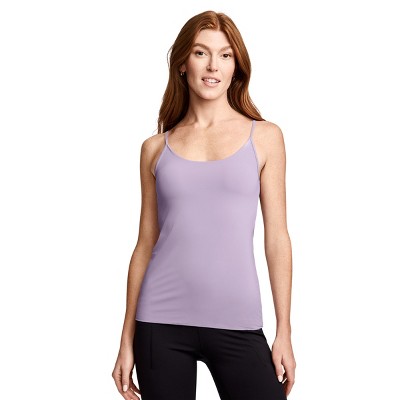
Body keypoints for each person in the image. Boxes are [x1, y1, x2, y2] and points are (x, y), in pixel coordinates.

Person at [112, 10, 296, 400]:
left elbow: (277, 238)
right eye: (201, 53)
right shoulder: (154, 149)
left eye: (225, 55)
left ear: (236, 67)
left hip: (237, 320)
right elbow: (145, 245)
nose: (213, 65)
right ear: (183, 63)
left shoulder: (265, 137)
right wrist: (126, 339)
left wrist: (284, 330)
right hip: (159, 321)